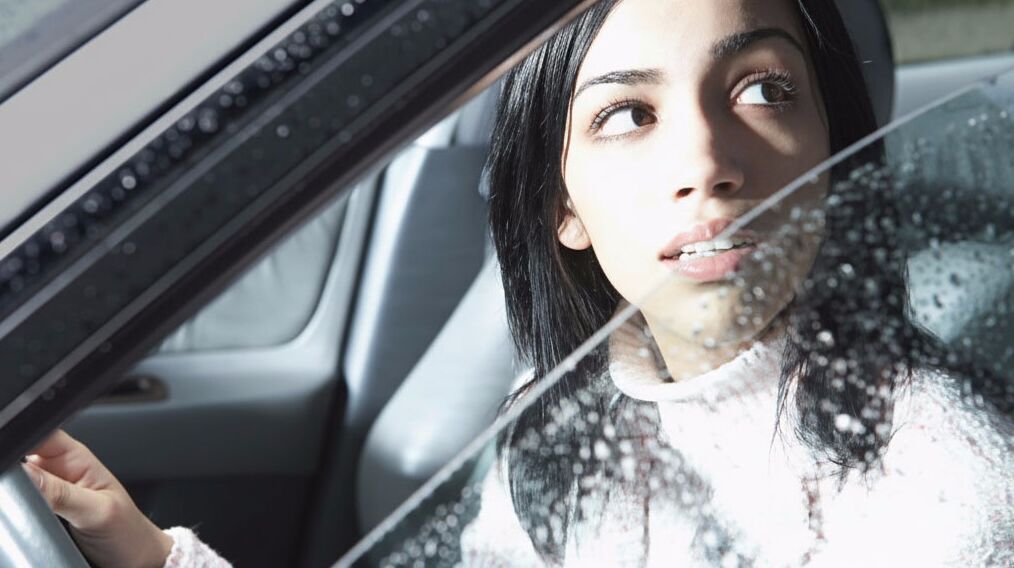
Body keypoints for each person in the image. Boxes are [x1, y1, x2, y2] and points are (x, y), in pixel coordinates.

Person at [22, 0, 1012, 566]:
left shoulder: (946, 484)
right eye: (628, 116)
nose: (708, 161)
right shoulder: (559, 419)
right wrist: (151, 554)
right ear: (561, 208)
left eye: (762, 89)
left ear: (833, 152)